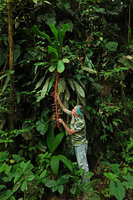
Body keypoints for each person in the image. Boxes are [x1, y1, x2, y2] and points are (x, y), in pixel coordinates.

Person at [56, 95, 90, 183]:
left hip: (81, 145)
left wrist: (62, 122)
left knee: (83, 165)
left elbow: (70, 132)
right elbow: (64, 109)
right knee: (81, 164)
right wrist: (59, 99)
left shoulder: (80, 122)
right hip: (77, 144)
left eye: (74, 109)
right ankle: (84, 183)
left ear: (77, 113)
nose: (72, 110)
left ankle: (87, 185)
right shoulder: (74, 116)